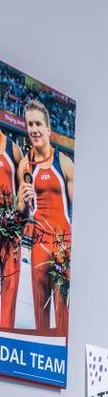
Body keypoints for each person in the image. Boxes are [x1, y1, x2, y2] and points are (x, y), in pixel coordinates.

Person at [17, 97, 72, 335]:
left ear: (48, 129)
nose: (34, 129)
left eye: (38, 124)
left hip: (63, 243)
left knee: (63, 316)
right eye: (30, 124)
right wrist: (25, 200)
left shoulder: (65, 163)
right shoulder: (25, 167)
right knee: (40, 314)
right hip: (39, 245)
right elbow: (22, 212)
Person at [0, 129, 18, 331]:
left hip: (8, 228)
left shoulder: (13, 150)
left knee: (10, 286)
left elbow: (24, 194)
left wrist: (16, 218)